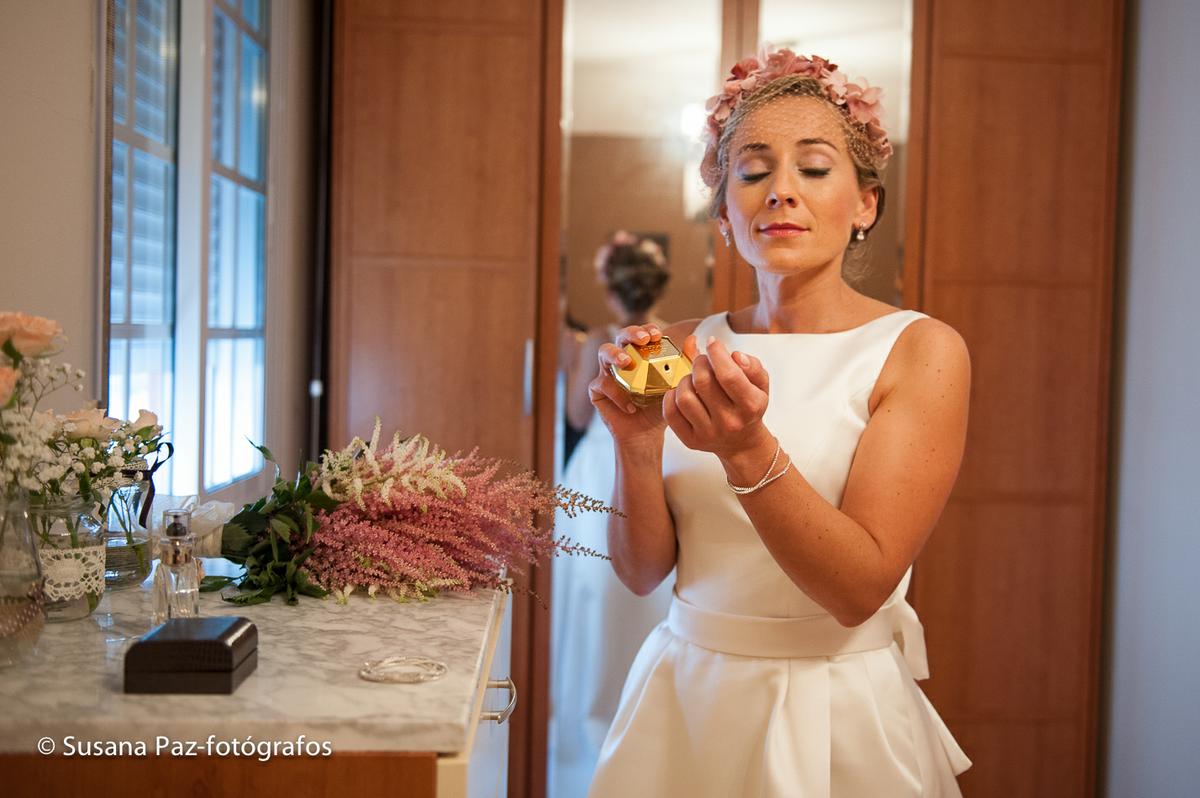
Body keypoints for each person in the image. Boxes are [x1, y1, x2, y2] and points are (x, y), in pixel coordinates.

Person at [585, 47, 973, 797]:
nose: (781, 194)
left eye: (816, 169)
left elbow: (859, 588)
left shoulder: (918, 351)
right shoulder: (677, 347)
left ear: (866, 204)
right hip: (685, 701)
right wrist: (636, 448)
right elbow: (640, 575)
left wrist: (746, 450)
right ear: (724, 213)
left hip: (835, 712)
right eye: (754, 172)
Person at [549, 231, 674, 797]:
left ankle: (587, 726)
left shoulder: (604, 339)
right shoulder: (669, 339)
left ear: (610, 285)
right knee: (642, 598)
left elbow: (579, 413)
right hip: (649, 469)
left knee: (591, 593)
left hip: (601, 468)